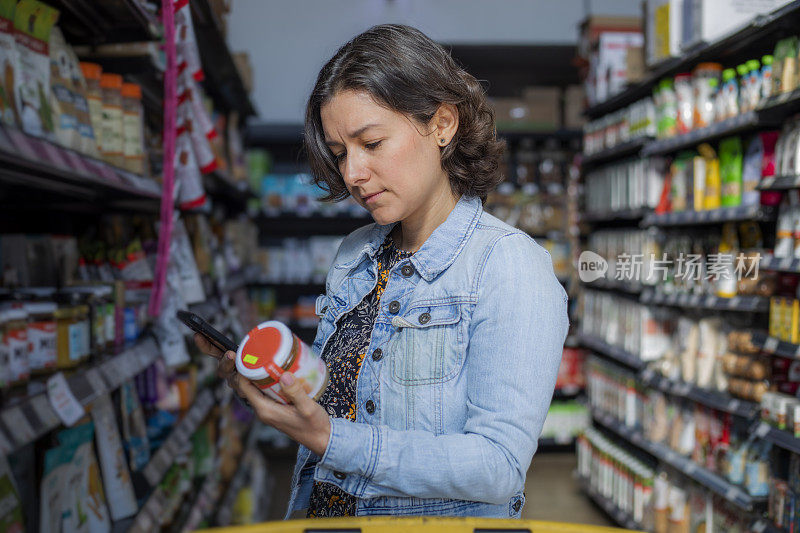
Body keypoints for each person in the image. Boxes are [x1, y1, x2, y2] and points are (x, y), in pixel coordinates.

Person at [195, 23, 568, 519]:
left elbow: (498, 465)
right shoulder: (355, 254)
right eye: (340, 153)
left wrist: (331, 439)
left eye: (371, 143)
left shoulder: (508, 266)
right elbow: (350, 390)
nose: (352, 174)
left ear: (442, 125)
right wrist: (279, 376)